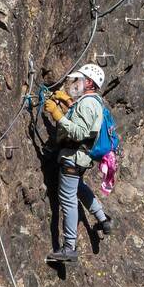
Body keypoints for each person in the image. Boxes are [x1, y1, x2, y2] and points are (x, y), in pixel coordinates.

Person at [43, 63, 113, 265]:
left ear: (89, 82)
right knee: (78, 188)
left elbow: (80, 133)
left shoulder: (88, 104)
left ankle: (69, 248)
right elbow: (81, 120)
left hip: (73, 158)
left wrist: (57, 114)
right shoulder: (92, 102)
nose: (75, 83)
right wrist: (66, 102)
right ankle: (103, 219)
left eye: (79, 80)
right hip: (81, 158)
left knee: (67, 199)